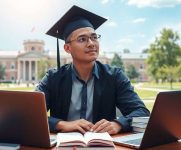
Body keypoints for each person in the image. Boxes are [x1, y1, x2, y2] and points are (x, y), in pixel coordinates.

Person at [36, 5, 150, 135]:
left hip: (102, 144)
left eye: (94, 37)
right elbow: (29, 113)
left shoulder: (114, 76)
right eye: (82, 39)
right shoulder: (53, 78)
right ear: (67, 48)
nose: (91, 43)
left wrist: (118, 124)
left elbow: (142, 112)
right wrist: (62, 124)